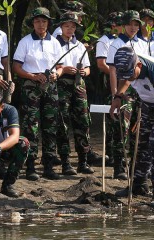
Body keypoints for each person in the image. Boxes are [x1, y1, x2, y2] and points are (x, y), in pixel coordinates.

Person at [12, 7, 63, 181]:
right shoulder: (25, 41)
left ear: (48, 23)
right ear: (32, 23)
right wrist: (33, 76)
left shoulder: (54, 42)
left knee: (51, 126)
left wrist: (58, 73)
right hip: (31, 86)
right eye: (37, 21)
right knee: (30, 126)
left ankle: (48, 165)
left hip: (51, 87)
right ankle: (30, 166)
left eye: (44, 21)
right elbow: (16, 67)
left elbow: (60, 65)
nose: (41, 25)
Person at [106, 10, 149, 180]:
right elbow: (112, 71)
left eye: (136, 24)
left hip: (141, 90)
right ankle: (119, 167)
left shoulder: (142, 43)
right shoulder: (116, 43)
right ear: (123, 25)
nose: (133, 27)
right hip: (124, 92)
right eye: (130, 24)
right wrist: (115, 94)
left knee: (137, 128)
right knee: (122, 128)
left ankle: (135, 167)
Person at [110, 47, 154, 199]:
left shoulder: (152, 70)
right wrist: (118, 96)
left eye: (131, 74)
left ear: (139, 66)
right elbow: (125, 79)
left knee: (153, 147)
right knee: (140, 144)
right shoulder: (127, 63)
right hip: (148, 103)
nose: (129, 78)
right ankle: (138, 185)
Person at [55, 11, 95, 175]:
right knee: (62, 122)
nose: (70, 29)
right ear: (61, 27)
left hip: (79, 85)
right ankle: (65, 162)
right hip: (61, 83)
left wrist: (85, 71)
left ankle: (83, 161)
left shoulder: (79, 45)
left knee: (83, 121)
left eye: (73, 26)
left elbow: (88, 67)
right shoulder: (53, 43)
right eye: (67, 26)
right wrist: (63, 69)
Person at [95, 11, 125, 176]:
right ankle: (114, 158)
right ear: (114, 25)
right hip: (111, 84)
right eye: (121, 23)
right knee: (115, 121)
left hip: (128, 84)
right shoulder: (105, 40)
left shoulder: (128, 41)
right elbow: (102, 64)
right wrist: (118, 75)